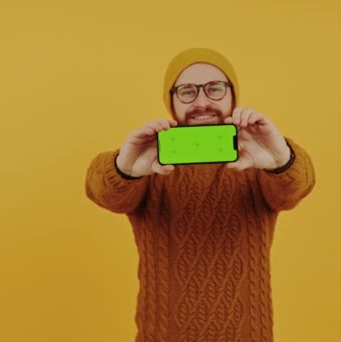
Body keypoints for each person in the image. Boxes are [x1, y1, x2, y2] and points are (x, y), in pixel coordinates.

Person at [85, 47, 315, 342]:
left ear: (233, 96)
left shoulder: (260, 157)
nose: (202, 102)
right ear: (171, 100)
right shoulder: (150, 164)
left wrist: (281, 158)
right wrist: (124, 167)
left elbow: (298, 187)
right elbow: (100, 190)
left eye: (215, 89)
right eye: (188, 91)